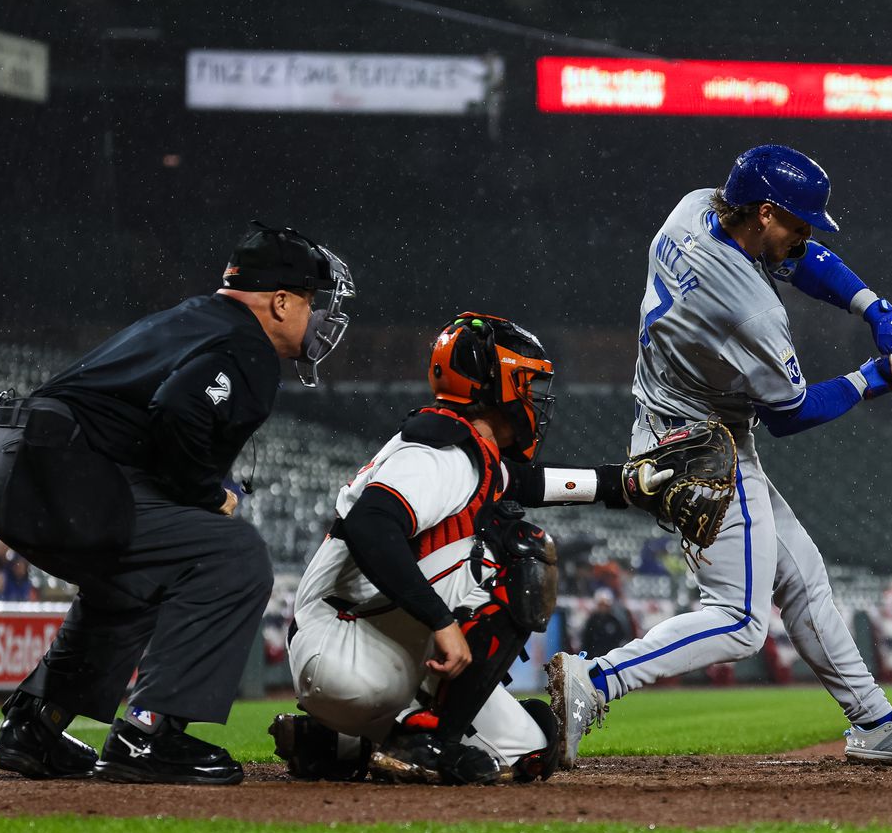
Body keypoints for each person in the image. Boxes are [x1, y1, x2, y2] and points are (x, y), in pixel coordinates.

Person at [547, 144, 892, 766]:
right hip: (704, 451)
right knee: (740, 622)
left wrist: (871, 306)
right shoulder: (749, 308)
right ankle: (596, 681)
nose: (805, 235)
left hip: (673, 427)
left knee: (803, 579)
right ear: (764, 213)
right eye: (796, 222)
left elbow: (802, 260)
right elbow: (790, 414)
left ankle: (874, 723)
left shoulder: (693, 209)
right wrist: (870, 378)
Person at [0, 221, 355, 785]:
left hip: (9, 458)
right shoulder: (246, 343)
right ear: (278, 301)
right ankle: (148, 735)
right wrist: (206, 493)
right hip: (55, 467)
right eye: (311, 300)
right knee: (234, 554)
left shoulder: (193, 316)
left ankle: (36, 725)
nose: (318, 315)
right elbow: (179, 409)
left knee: (134, 581)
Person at [270, 313, 654, 785]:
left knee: (533, 748)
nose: (536, 399)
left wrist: (623, 483)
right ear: (498, 386)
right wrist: (442, 621)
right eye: (528, 384)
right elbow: (372, 525)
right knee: (523, 553)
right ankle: (427, 741)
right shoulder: (439, 453)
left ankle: (335, 745)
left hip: (375, 646)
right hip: (344, 641)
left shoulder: (465, 449)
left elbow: (529, 483)